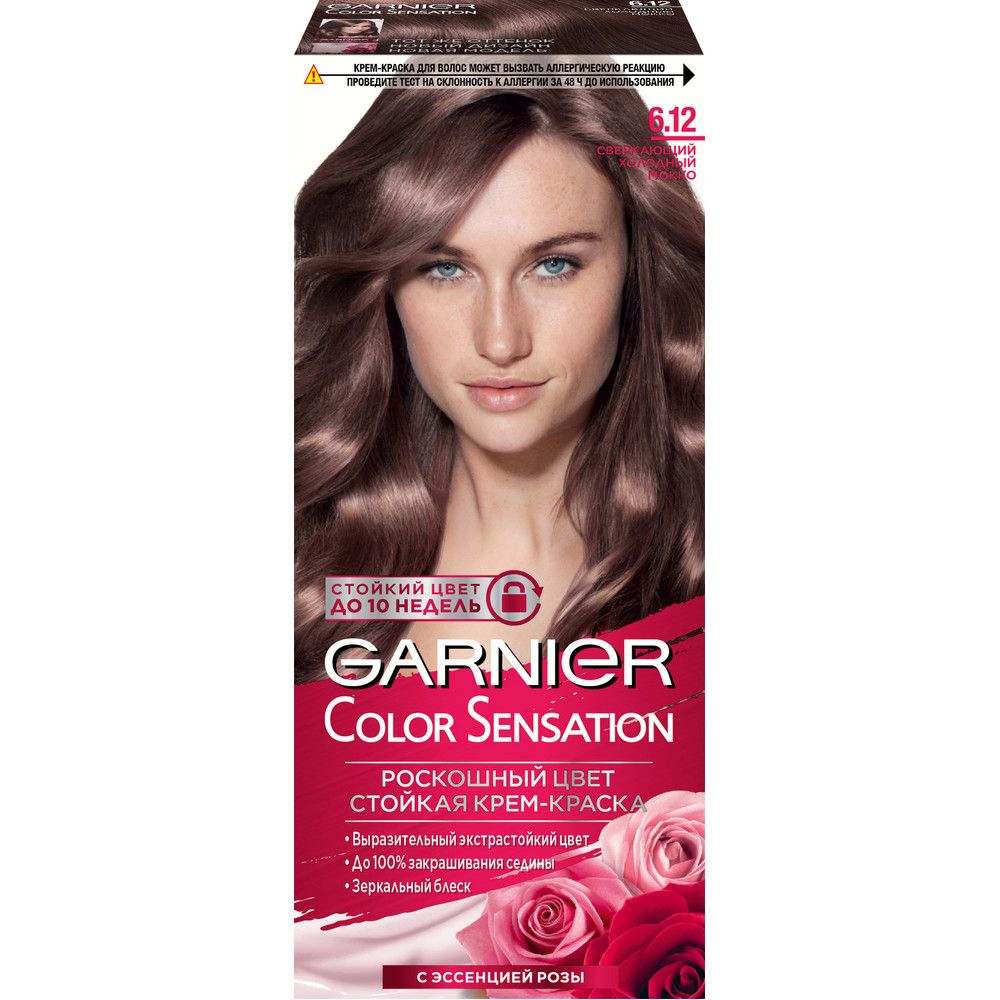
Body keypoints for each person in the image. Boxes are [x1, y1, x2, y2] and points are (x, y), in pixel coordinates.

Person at [294, 86, 704, 683]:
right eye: (445, 269)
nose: (501, 342)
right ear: (386, 286)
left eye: (554, 265)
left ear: (637, 267)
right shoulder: (301, 568)